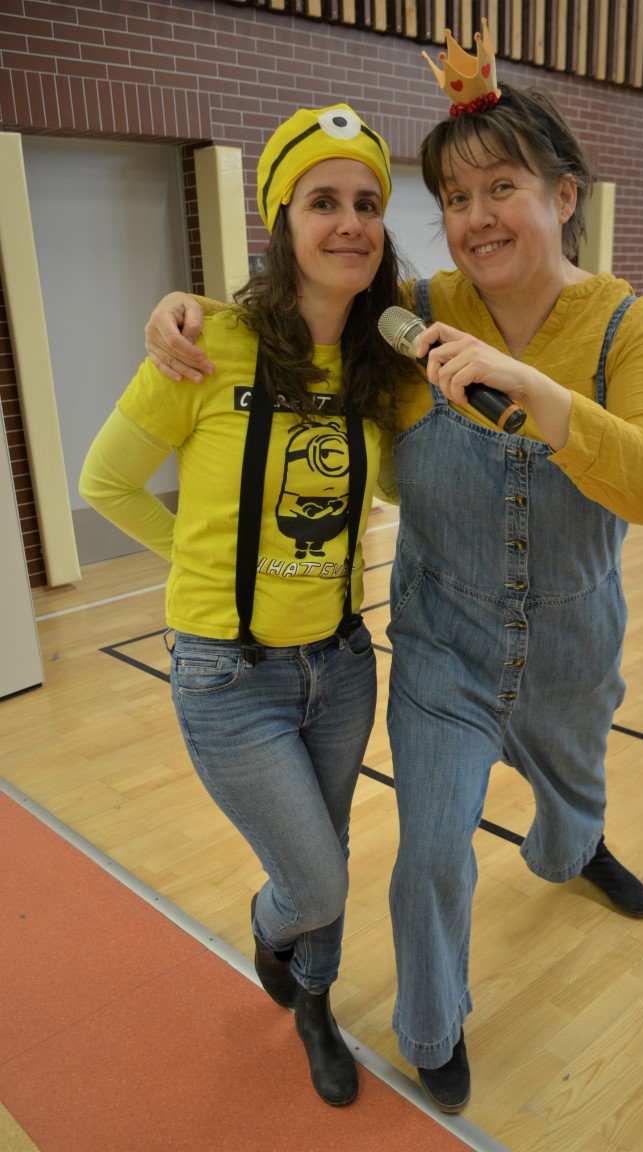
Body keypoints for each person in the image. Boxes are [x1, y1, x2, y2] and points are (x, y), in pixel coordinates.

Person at [140, 22, 643, 1115]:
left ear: (565, 196)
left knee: (569, 808)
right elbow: (298, 310)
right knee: (433, 850)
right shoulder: (417, 316)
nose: (475, 216)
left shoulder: (628, 328)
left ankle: (577, 844)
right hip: (443, 641)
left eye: (502, 187)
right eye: (454, 196)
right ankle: (433, 1025)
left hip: (574, 646)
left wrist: (540, 397)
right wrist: (182, 310)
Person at [79, 103, 405, 1108]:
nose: (350, 222)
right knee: (314, 881)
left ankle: (316, 1004)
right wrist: (204, 563)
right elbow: (105, 481)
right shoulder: (207, 343)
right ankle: (274, 934)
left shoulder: (377, 362)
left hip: (342, 664)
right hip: (229, 676)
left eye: (368, 203)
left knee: (331, 852)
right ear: (283, 220)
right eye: (324, 202)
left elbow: (394, 484)